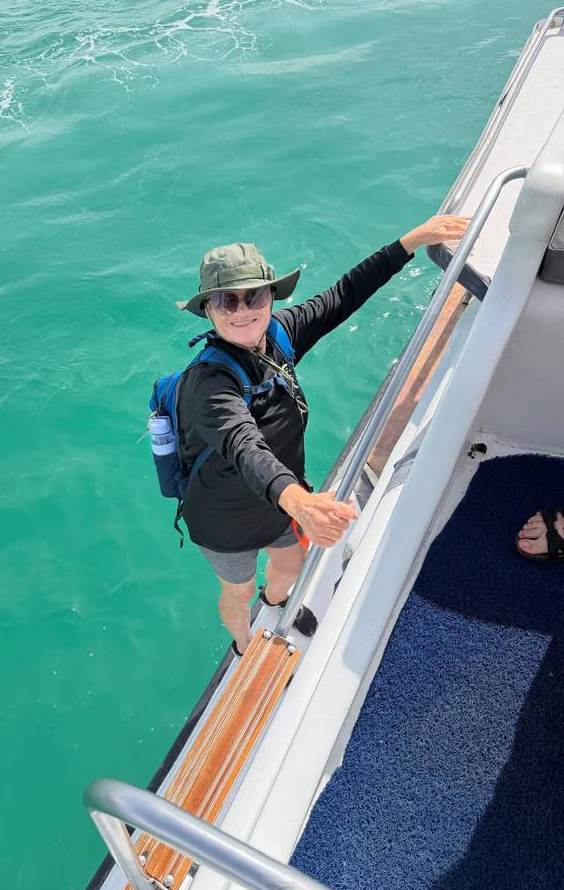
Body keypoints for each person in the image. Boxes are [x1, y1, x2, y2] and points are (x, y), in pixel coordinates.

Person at [174, 216, 470, 655]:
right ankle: (242, 643)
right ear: (209, 311)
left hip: (278, 500)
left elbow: (342, 295)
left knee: (292, 563)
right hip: (223, 516)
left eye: (253, 296)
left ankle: (273, 604)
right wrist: (302, 503)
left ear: (271, 296)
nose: (242, 311)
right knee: (237, 590)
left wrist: (411, 241)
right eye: (225, 301)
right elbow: (244, 446)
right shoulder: (209, 383)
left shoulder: (279, 334)